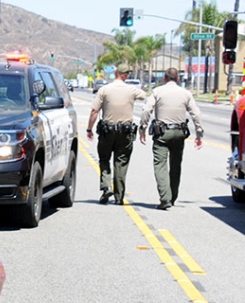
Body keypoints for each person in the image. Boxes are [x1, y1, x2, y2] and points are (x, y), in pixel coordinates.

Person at [138, 67, 204, 210]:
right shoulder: (186, 93)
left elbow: (146, 110)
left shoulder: (157, 92)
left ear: (165, 78)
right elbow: (196, 114)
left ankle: (165, 198)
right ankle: (172, 197)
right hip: (179, 133)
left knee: (160, 165)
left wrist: (142, 129)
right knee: (175, 166)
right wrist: (199, 133)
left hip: (162, 133)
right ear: (178, 79)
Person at [86, 64, 146, 204]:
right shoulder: (131, 90)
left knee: (104, 158)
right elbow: (143, 96)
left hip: (108, 131)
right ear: (127, 75)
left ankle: (106, 187)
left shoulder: (104, 89)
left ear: (115, 72)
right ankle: (119, 197)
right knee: (121, 162)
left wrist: (89, 129)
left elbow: (94, 111)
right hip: (125, 132)